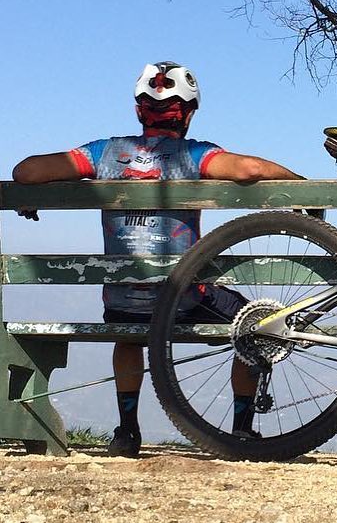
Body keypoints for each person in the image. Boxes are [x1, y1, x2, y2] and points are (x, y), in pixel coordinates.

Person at [12, 61, 304, 458]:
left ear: (139, 110)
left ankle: (127, 431)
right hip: (184, 299)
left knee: (126, 332)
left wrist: (36, 193)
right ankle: (240, 429)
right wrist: (305, 190)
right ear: (189, 112)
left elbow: (26, 171)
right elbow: (251, 169)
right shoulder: (196, 155)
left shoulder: (104, 153)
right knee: (257, 323)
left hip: (123, 304)